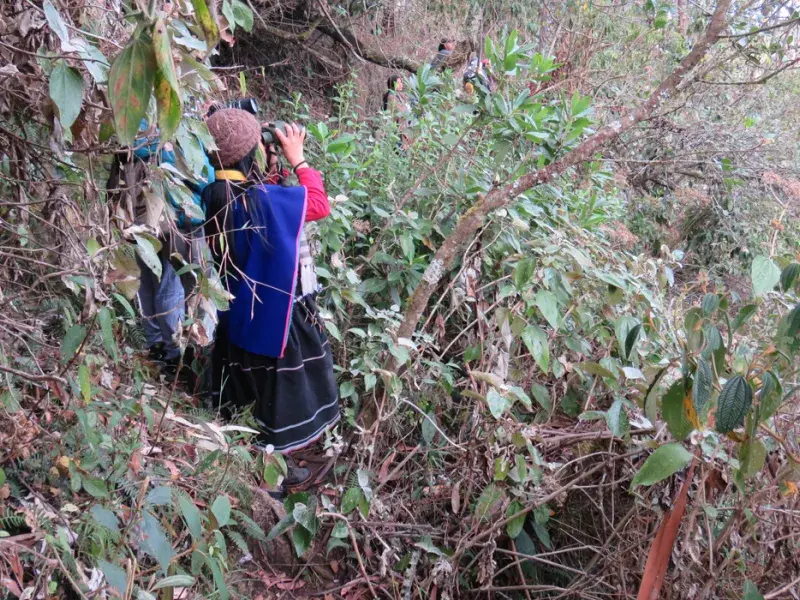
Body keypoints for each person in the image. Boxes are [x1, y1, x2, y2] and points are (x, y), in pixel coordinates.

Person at [202, 108, 338, 488]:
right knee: (276, 402)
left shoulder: (213, 193)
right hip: (274, 320)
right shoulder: (261, 200)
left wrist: (270, 164)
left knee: (246, 393)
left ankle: (249, 463)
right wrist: (299, 159)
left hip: (236, 318)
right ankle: (274, 482)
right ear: (251, 156)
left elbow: (269, 203)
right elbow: (317, 205)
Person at [107, 120, 214, 375]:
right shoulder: (170, 133)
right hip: (174, 222)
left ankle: (156, 346)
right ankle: (177, 353)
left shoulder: (129, 128)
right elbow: (205, 178)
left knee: (149, 282)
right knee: (174, 286)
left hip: (136, 219)